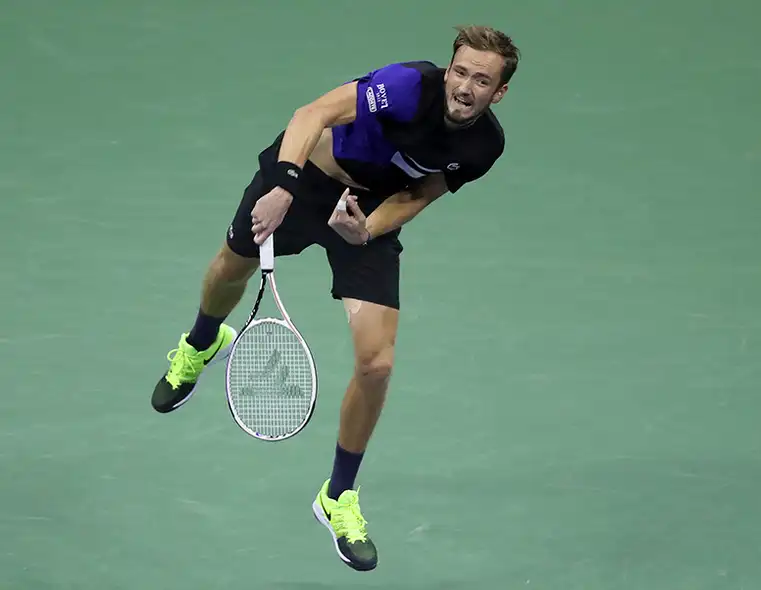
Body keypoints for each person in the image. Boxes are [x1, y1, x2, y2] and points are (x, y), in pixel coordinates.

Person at [149, 25, 520, 572]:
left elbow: (421, 191)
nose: (465, 86)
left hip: (364, 215)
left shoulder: (484, 146)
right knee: (232, 266)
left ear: (499, 92)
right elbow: (312, 113)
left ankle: (337, 495)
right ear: (449, 68)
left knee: (378, 364)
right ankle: (201, 344)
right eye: (460, 71)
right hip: (307, 180)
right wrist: (282, 182)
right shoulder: (406, 86)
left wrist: (367, 230)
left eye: (481, 80)